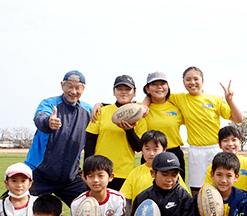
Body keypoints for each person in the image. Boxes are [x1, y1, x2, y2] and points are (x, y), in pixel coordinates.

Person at [92, 72, 187, 180]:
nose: (159, 87)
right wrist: (101, 104)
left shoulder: (176, 107)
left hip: (173, 153)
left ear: (168, 87)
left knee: (177, 188)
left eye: (162, 83)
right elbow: (122, 109)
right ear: (147, 89)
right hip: (150, 155)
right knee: (147, 186)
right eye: (154, 84)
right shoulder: (139, 109)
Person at [166, 67, 244, 194]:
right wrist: (144, 105)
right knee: (196, 190)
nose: (192, 82)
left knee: (219, 187)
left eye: (196, 79)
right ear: (183, 82)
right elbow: (155, 95)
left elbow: (238, 119)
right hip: (195, 151)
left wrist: (230, 101)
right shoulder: (179, 98)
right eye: (188, 79)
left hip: (215, 149)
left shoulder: (215, 100)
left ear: (202, 81)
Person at [26, 70, 92, 205]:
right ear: (62, 85)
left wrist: (101, 104)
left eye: (78, 88)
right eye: (69, 86)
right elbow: (40, 118)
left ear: (83, 89)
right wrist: (48, 122)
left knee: (89, 208)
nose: (73, 91)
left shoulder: (87, 110)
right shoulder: (49, 104)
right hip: (39, 174)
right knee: (22, 210)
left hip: (69, 178)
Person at [84, 75, 147, 190]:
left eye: (127, 89)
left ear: (134, 93)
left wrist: (129, 131)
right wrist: (87, 169)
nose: (123, 92)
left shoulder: (140, 116)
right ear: (114, 92)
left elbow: (138, 147)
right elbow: (90, 142)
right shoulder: (101, 111)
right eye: (119, 89)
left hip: (124, 172)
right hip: (100, 171)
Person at [120, 130, 189, 216]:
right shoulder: (135, 173)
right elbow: (126, 199)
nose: (151, 153)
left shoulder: (171, 173)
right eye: (147, 149)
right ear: (142, 150)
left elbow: (184, 196)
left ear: (164, 150)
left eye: (155, 149)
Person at [203, 126, 247, 196]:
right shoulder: (212, 167)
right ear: (220, 145)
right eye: (225, 140)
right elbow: (208, 190)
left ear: (240, 142)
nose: (230, 144)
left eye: (234, 140)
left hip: (243, 202)